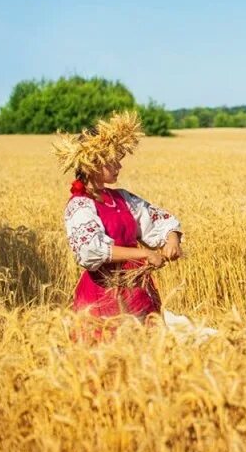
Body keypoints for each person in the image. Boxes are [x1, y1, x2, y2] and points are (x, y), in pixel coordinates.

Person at [55, 111, 183, 339]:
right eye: (113, 160)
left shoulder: (123, 198)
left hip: (138, 291)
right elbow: (91, 251)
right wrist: (144, 253)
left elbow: (158, 221)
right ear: (93, 163)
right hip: (103, 297)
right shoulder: (80, 207)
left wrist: (172, 239)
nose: (119, 165)